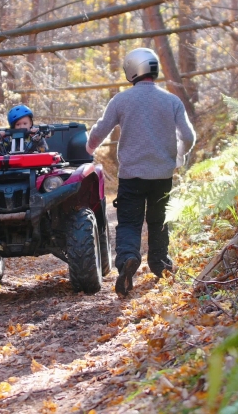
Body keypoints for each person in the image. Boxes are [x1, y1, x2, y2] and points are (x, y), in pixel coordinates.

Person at [86, 48, 196, 296]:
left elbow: (100, 130)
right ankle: (159, 264)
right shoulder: (172, 101)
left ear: (133, 70)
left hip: (131, 177)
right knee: (158, 221)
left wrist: (89, 147)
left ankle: (127, 258)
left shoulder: (122, 100)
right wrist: (178, 156)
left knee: (129, 222)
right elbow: (188, 136)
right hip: (162, 176)